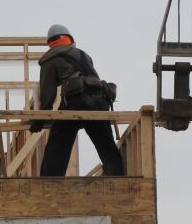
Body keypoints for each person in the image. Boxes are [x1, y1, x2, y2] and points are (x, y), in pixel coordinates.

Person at [29, 24, 124, 176]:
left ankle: (49, 183)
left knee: (57, 144)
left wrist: (39, 121)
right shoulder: (83, 54)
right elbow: (92, 80)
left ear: (50, 43)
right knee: (106, 145)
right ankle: (119, 179)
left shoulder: (50, 59)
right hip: (100, 102)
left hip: (76, 103)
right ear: (70, 39)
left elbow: (48, 95)